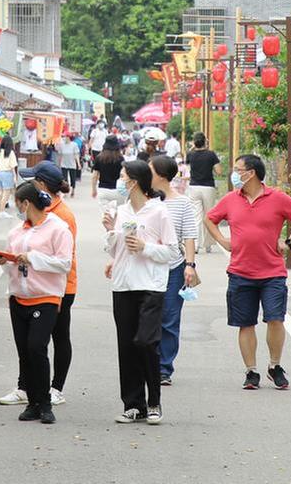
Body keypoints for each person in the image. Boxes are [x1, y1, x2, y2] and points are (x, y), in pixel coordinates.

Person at [205, 154, 291, 391]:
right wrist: (223, 240)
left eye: (237, 169)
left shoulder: (277, 198)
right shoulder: (230, 199)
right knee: (246, 323)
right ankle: (251, 371)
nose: (234, 173)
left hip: (272, 272)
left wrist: (290, 242)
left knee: (275, 318)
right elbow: (209, 219)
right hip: (240, 271)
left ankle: (275, 366)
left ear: (250, 172)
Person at [104, 160, 178, 425]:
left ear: (134, 181)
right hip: (123, 285)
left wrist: (145, 247)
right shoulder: (120, 211)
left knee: (146, 342)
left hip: (150, 285)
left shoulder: (159, 212)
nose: (120, 181)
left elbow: (172, 252)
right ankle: (133, 404)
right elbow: (114, 250)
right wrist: (110, 230)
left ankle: (154, 402)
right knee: (126, 345)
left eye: (123, 177)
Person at [0, 161, 78, 407]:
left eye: (33, 180)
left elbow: (63, 258)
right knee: (30, 343)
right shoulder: (34, 215)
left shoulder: (61, 217)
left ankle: (55, 388)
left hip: (60, 287)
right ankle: (27, 387)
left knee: (56, 337)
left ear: (41, 185)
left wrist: (32, 258)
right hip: (29, 286)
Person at [149, 154, 200, 385]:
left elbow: (189, 235)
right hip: (147, 267)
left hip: (174, 268)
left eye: (150, 169)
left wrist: (189, 265)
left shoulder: (182, 202)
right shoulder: (146, 201)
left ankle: (164, 368)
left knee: (169, 318)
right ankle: (148, 363)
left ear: (160, 175)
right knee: (148, 318)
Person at [185, 133, 223, 253]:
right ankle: (207, 245)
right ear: (205, 142)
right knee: (209, 216)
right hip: (208, 187)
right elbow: (219, 171)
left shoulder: (190, 154)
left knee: (196, 217)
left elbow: (186, 166)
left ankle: (195, 245)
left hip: (194, 187)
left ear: (194, 142)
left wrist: (192, 147)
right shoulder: (211, 155)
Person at [92, 135, 125, 216]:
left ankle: (109, 229)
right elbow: (124, 175)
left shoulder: (99, 158)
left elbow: (95, 176)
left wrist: (94, 189)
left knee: (106, 216)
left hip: (103, 190)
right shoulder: (120, 158)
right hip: (118, 189)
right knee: (119, 215)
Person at [0, 135, 18, 215]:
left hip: (0, 173)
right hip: (7, 174)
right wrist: (15, 176)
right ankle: (2, 211)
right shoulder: (10, 153)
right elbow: (13, 166)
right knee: (6, 193)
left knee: (1, 193)